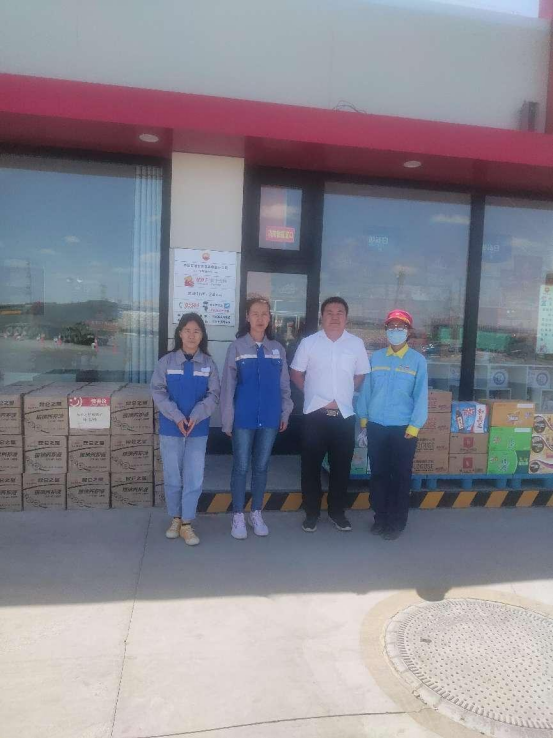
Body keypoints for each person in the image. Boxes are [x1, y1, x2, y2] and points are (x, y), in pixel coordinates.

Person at [291, 297, 370, 533]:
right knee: (310, 467)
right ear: (321, 317)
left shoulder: (356, 344)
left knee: (341, 467)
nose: (334, 317)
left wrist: (344, 394)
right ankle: (311, 513)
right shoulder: (309, 343)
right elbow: (296, 373)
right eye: (329, 312)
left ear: (346, 317)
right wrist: (313, 394)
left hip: (344, 416)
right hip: (315, 416)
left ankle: (337, 513)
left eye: (339, 312)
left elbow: (360, 375)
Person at [221, 297, 293, 540]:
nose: (260, 318)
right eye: (255, 313)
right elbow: (228, 387)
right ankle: (238, 515)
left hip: (270, 417)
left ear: (270, 318)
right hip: (243, 417)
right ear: (247, 317)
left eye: (264, 314)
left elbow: (285, 386)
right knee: (241, 467)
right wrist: (227, 419)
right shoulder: (237, 348)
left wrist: (285, 411)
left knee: (261, 467)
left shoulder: (277, 349)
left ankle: (256, 512)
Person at [357, 310, 428, 541]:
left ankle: (396, 522)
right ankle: (380, 517)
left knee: (399, 476)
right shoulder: (376, 358)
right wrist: (364, 420)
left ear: (408, 332)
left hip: (404, 429)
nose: (395, 331)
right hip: (377, 425)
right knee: (378, 474)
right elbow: (366, 390)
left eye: (401, 327)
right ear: (386, 330)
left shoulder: (417, 361)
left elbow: (421, 397)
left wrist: (414, 426)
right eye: (392, 327)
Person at [151, 313, 221, 546]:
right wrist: (178, 417)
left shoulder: (208, 364)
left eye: (196, 331)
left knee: (194, 476)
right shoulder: (166, 362)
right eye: (187, 330)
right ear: (180, 333)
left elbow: (214, 395)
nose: (192, 335)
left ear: (202, 336)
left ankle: (187, 523)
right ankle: (175, 518)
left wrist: (196, 415)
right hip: (171, 428)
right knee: (172, 475)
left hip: (197, 430)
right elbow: (158, 392)